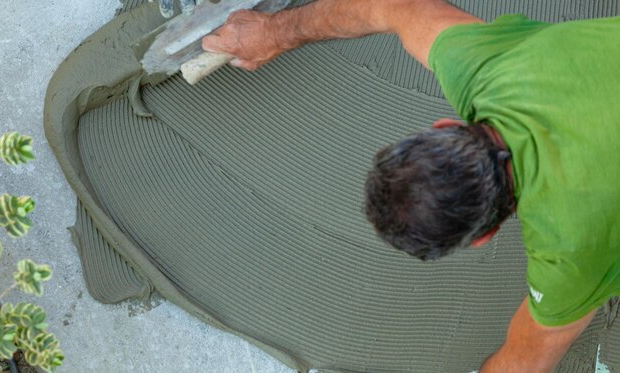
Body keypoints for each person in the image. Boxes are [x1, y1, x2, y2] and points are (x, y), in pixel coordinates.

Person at [198, 0, 620, 371]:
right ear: (445, 124)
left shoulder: (570, 252)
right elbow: (395, 7)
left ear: (485, 236)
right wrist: (275, 31)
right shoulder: (491, 65)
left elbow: (526, 361)